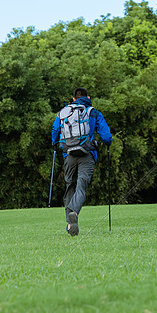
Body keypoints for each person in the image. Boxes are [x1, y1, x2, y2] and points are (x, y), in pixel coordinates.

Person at [51, 87, 113, 236]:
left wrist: (55, 143)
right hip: (87, 154)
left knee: (69, 186)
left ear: (73, 99)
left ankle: (69, 224)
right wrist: (107, 143)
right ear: (88, 97)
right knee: (81, 185)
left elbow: (55, 131)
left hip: (69, 155)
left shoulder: (64, 111)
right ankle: (74, 212)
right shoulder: (93, 112)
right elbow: (106, 136)